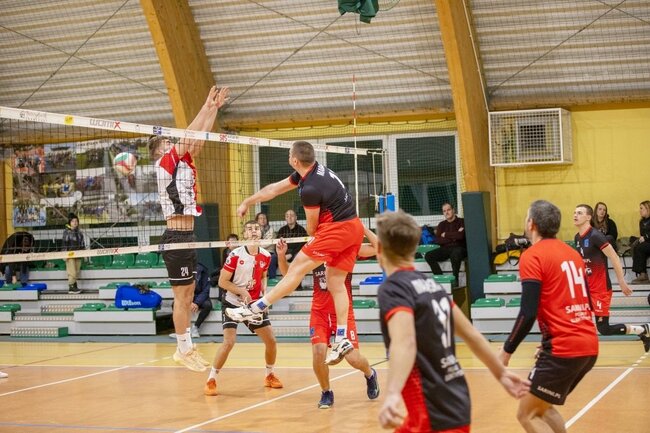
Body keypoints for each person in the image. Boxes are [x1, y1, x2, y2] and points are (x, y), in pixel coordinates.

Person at [375, 210, 529, 432]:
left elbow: (405, 342)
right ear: (414, 248)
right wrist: (501, 373)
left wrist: (391, 394)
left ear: (379, 249)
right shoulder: (432, 286)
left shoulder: (394, 288)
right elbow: (472, 335)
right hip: (456, 399)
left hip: (431, 412)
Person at [227, 140, 364, 365]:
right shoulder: (311, 172)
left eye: (289, 154)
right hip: (354, 228)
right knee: (336, 283)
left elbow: (311, 228)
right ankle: (341, 338)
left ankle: (256, 308)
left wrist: (317, 242)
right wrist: (248, 201)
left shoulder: (310, 188)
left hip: (337, 229)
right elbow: (273, 189)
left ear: (294, 160)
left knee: (296, 269)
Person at [499, 200, 599, 433]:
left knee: (527, 414)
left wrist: (506, 351)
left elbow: (527, 312)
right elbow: (585, 301)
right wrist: (550, 339)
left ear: (531, 223)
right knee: (542, 408)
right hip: (588, 345)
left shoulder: (532, 256)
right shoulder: (573, 254)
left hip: (563, 349)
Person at [148, 85, 229, 372]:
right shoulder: (163, 164)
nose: (171, 143)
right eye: (166, 142)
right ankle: (183, 350)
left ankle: (187, 347)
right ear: (159, 151)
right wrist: (205, 105)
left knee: (188, 294)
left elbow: (198, 138)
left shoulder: (183, 162)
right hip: (176, 238)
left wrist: (213, 109)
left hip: (188, 236)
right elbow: (187, 137)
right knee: (182, 298)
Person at [275, 227, 379, 409]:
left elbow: (378, 247)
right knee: (318, 352)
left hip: (342, 314)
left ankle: (370, 374)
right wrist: (281, 256)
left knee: (353, 359)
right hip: (319, 312)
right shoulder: (314, 250)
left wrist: (360, 227)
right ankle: (326, 392)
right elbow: (288, 275)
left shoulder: (347, 247)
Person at [204, 220, 282, 396]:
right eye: (249, 229)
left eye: (256, 229)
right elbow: (222, 281)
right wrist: (241, 291)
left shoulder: (266, 255)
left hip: (253, 304)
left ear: (261, 233)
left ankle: (269, 375)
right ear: (244, 234)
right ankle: (211, 379)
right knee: (229, 342)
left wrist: (263, 295)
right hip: (232, 302)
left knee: (271, 340)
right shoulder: (235, 255)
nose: (253, 231)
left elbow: (263, 276)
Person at [574, 204, 650, 351]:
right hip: (586, 289)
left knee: (604, 329)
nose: (575, 215)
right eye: (574, 212)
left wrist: (621, 281)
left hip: (600, 289)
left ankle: (642, 329)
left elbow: (614, 257)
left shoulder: (596, 236)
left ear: (588, 217)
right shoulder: (577, 238)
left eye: (579, 213)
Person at [424, 202, 467, 285]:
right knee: (428, 255)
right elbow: (438, 240)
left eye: (448, 210)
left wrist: (446, 234)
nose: (446, 212)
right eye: (444, 211)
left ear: (453, 210)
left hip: (459, 248)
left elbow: (461, 236)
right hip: (446, 248)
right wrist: (454, 237)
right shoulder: (441, 224)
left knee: (456, 252)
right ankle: (441, 278)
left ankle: (455, 280)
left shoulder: (461, 221)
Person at [168, 262, 213, 339]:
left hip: (199, 296)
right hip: (186, 296)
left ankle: (196, 327)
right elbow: (180, 289)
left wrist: (197, 303)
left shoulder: (202, 270)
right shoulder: (181, 269)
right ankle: (181, 330)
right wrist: (189, 301)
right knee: (175, 304)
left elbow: (206, 290)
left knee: (208, 305)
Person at [62, 213, 84, 294]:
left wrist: (84, 253)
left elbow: (82, 243)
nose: (75, 222)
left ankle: (74, 286)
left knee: (77, 271)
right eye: (73, 221)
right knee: (72, 272)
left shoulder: (80, 232)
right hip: (69, 255)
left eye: (76, 221)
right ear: (69, 222)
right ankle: (71, 287)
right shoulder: (66, 232)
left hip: (78, 254)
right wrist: (64, 254)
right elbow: (64, 243)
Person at [631, 200, 650, 284]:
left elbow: (645, 236)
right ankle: (642, 274)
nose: (640, 210)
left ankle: (643, 275)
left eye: (642, 208)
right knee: (634, 242)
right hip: (647, 243)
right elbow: (642, 235)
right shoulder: (642, 222)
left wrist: (646, 238)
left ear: (648, 209)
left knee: (640, 247)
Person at [256, 212, 278, 279]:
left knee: (273, 258)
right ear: (257, 220)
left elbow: (267, 243)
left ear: (267, 220)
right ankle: (257, 279)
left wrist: (258, 244)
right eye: (260, 218)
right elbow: (253, 241)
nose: (262, 220)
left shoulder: (271, 230)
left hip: (269, 252)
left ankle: (272, 279)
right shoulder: (255, 230)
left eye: (264, 218)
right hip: (258, 252)